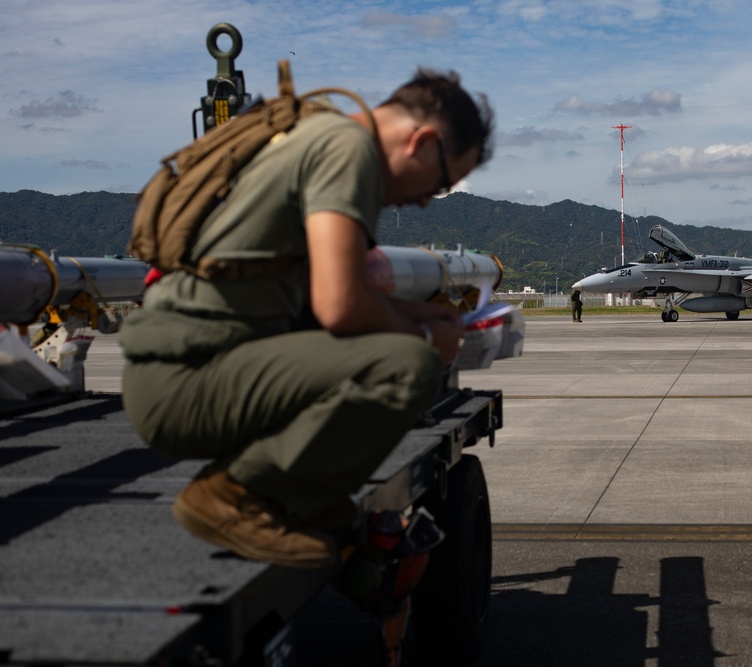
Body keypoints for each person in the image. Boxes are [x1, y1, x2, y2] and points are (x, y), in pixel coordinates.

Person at [120, 68, 494, 569]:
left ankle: (296, 496)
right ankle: (233, 497)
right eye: (442, 182)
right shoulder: (348, 149)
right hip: (186, 382)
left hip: (188, 367)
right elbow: (339, 307)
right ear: (422, 141)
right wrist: (426, 332)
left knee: (400, 347)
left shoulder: (315, 131)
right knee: (408, 364)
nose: (428, 198)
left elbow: (318, 293)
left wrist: (420, 312)